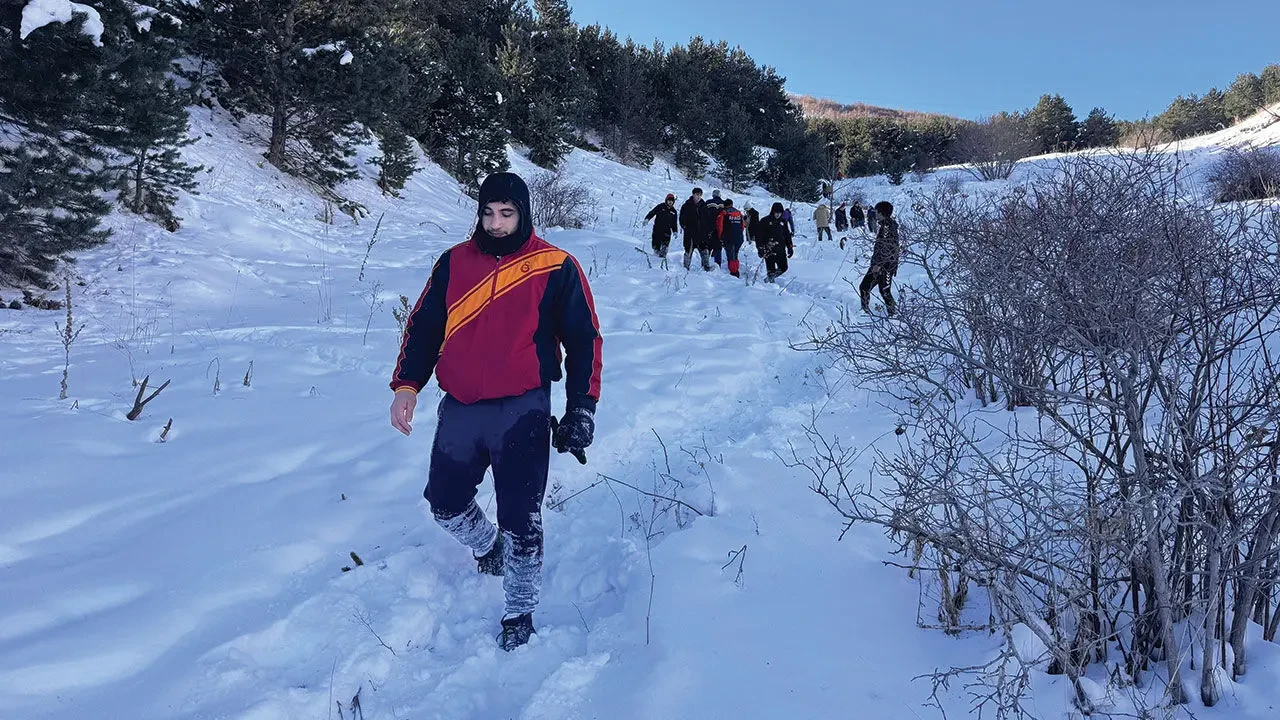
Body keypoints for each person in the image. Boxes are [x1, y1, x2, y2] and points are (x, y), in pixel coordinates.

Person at [389, 172, 604, 651]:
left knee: (522, 519)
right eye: (488, 213)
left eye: (507, 214)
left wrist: (581, 409)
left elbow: (585, 341)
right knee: (444, 502)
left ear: (524, 212)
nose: (497, 223)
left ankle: (519, 610)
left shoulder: (555, 265)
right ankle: (488, 546)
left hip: (523, 407)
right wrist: (407, 386)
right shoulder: (453, 263)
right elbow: (424, 327)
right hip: (461, 405)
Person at [859, 200, 899, 316]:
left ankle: (893, 315)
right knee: (865, 287)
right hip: (880, 264)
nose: (875, 214)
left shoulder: (887, 227)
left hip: (885, 266)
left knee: (884, 291)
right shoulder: (885, 226)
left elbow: (887, 248)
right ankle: (865, 312)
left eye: (877, 212)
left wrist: (879, 265)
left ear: (883, 213)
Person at [757, 202, 794, 282]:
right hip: (769, 249)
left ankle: (768, 280)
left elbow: (787, 235)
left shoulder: (783, 222)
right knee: (771, 270)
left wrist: (790, 247)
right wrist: (760, 248)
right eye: (776, 212)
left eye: (780, 213)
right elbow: (759, 236)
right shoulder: (765, 221)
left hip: (780, 249)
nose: (778, 214)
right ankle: (770, 287)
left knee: (784, 268)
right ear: (772, 211)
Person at [643, 193, 680, 257]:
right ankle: (655, 256)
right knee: (655, 246)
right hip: (657, 230)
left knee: (664, 247)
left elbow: (674, 223)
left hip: (667, 232)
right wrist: (647, 219)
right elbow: (652, 212)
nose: (670, 202)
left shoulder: (674, 211)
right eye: (669, 200)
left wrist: (675, 231)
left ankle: (662, 258)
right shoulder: (660, 206)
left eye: (672, 201)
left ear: (673, 202)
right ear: (666, 200)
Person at [717, 199, 746, 278]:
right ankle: (736, 269)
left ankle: (734, 272)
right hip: (739, 238)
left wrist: (720, 237)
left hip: (728, 237)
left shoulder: (724, 213)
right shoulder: (739, 213)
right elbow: (743, 226)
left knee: (730, 255)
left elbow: (720, 227)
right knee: (735, 254)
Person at [679, 188, 705, 270]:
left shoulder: (704, 205)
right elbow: (681, 218)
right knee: (688, 250)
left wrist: (706, 230)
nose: (698, 196)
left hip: (701, 233)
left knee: (704, 250)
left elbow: (707, 218)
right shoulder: (687, 205)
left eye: (700, 194)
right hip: (689, 233)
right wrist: (684, 226)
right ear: (693, 194)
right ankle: (685, 268)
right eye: (697, 194)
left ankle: (706, 268)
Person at [703, 189, 727, 269]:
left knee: (708, 247)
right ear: (720, 195)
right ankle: (718, 265)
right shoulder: (724, 203)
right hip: (720, 228)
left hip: (709, 228)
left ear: (713, 195)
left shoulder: (708, 202)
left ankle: (705, 265)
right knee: (718, 247)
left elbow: (703, 215)